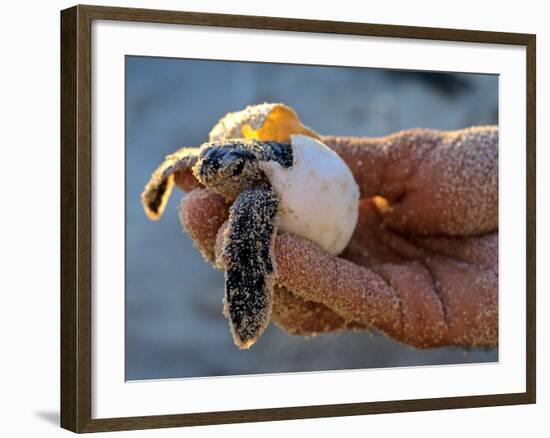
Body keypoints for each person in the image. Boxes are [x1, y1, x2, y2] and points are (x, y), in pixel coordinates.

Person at [175, 126, 498, 349]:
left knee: (246, 230)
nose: (212, 179)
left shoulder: (259, 195)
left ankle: (247, 316)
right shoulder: (224, 162)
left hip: (328, 209)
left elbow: (252, 187)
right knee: (205, 201)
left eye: (228, 173)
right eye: (207, 171)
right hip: (330, 213)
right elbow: (209, 161)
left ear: (246, 168)